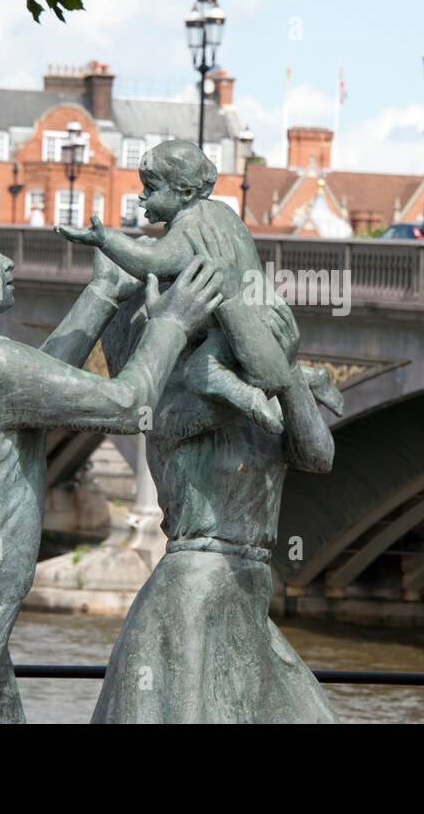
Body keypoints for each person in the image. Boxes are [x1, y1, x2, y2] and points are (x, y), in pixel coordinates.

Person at [0, 202, 225, 724]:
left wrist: (103, 291)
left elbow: (40, 386)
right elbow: (129, 406)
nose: (10, 266)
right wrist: (172, 323)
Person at [91, 224, 342, 723]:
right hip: (192, 593)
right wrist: (242, 387)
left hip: (247, 590)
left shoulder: (266, 393)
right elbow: (185, 421)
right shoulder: (171, 402)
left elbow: (319, 456)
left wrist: (286, 376)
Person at [59, 140, 335, 434]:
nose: (142, 198)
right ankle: (307, 377)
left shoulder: (191, 229)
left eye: (151, 189)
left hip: (234, 330)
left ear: (187, 192)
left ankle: (250, 400)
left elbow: (150, 261)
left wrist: (104, 240)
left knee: (197, 370)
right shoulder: (223, 215)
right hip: (269, 318)